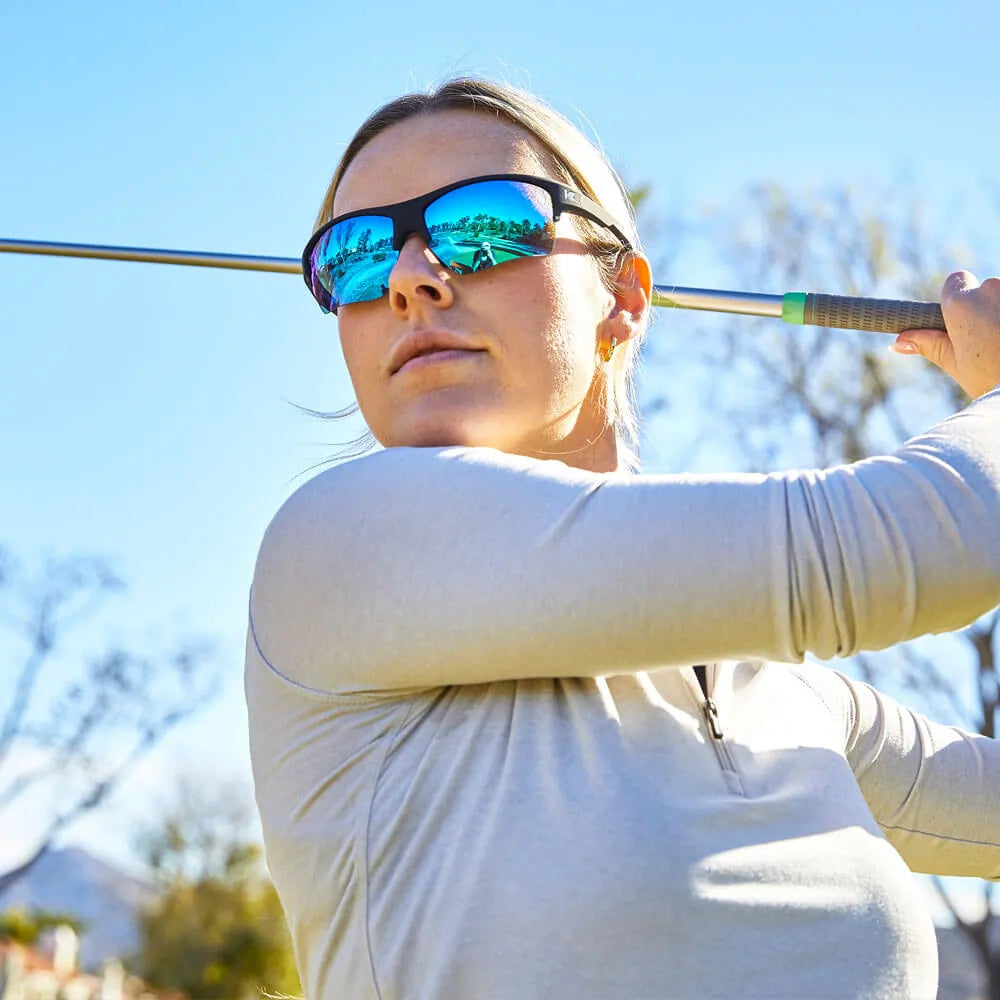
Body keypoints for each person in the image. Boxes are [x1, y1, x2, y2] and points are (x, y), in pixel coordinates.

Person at [246, 78, 1000, 1000]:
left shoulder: (788, 695)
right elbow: (922, 542)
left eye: (486, 223)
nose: (410, 277)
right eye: (358, 256)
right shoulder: (339, 546)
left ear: (625, 298)